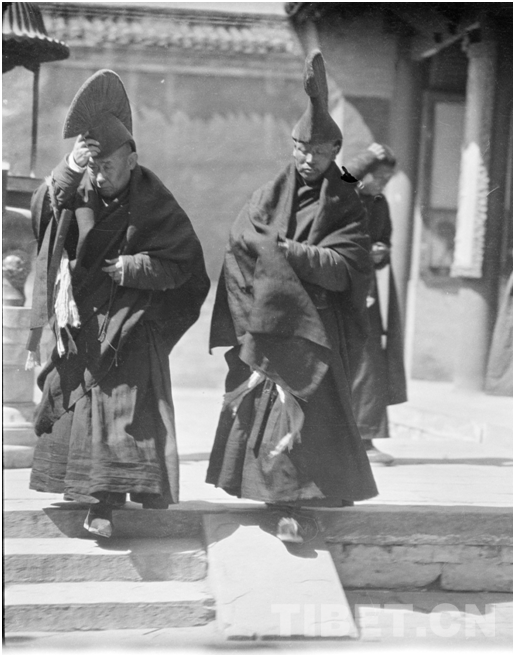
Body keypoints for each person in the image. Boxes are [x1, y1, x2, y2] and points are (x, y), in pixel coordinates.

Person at [27, 70, 210, 538]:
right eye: (93, 165)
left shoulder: (154, 199)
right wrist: (70, 165)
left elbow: (186, 265)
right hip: (84, 319)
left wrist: (135, 267)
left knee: (121, 410)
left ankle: (109, 504)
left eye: (107, 165)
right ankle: (88, 496)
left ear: (132, 160)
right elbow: (43, 212)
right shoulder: (80, 188)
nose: (100, 174)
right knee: (78, 401)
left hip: (131, 322)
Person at [206, 50, 378, 542]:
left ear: (334, 152)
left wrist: (291, 254)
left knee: (314, 420)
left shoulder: (346, 203)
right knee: (269, 417)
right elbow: (239, 250)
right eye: (301, 149)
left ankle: (301, 508)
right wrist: (252, 314)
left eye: (318, 153)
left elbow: (346, 269)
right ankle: (281, 501)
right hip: (266, 324)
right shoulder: (267, 195)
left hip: (317, 331)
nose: (307, 160)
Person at [346, 143, 408, 465]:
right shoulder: (342, 195)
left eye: (388, 179)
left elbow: (385, 240)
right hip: (336, 289)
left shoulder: (379, 204)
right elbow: (340, 178)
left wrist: (381, 251)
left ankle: (365, 439)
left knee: (369, 363)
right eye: (379, 177)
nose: (383, 184)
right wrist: (367, 157)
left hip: (366, 292)